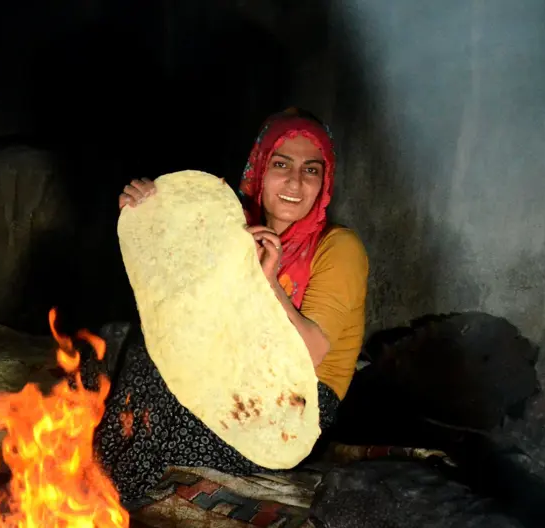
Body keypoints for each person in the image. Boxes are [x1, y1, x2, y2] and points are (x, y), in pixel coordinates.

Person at [90, 109, 369, 505]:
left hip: (295, 410)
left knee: (159, 417)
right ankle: (98, 479)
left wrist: (269, 280)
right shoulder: (235, 229)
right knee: (124, 348)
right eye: (281, 164)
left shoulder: (339, 248)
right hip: (232, 375)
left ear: (324, 182)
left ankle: (102, 505)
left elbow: (311, 352)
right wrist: (150, 212)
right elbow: (178, 307)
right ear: (258, 171)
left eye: (311, 170)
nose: (294, 181)